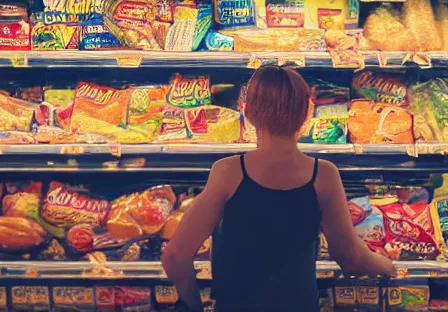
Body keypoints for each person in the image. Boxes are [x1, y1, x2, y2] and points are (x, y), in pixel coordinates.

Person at [162, 65, 396, 312]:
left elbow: (175, 256)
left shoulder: (228, 172)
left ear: (248, 112)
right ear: (306, 114)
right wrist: (386, 266)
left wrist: (194, 305)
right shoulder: (324, 175)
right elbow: (352, 259)